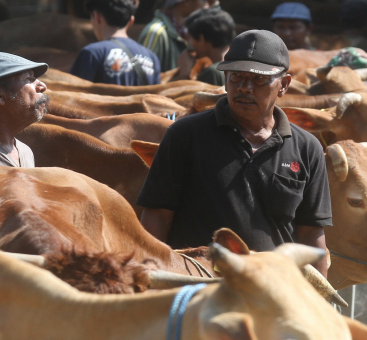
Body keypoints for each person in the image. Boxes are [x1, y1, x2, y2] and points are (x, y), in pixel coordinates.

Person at [137, 30, 331, 273]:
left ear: (284, 85)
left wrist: (316, 301)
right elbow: (157, 216)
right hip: (196, 285)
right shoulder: (185, 135)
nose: (245, 88)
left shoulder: (307, 148)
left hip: (271, 288)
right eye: (236, 77)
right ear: (226, 78)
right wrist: (150, 276)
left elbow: (311, 232)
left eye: (259, 80)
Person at [69, 0, 160, 86]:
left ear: (97, 17)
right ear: (131, 21)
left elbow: (72, 94)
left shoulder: (91, 54)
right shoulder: (151, 58)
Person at [138, 0, 207, 72]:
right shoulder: (156, 32)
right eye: (203, 0)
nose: (207, 5)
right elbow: (144, 75)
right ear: (186, 2)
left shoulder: (185, 32)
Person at [184, 7, 234, 85]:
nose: (191, 45)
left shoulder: (212, 73)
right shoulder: (238, 65)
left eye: (191, 39)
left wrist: (184, 73)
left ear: (201, 39)